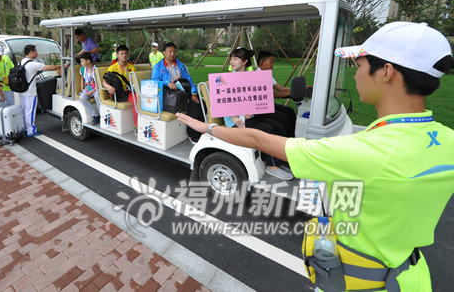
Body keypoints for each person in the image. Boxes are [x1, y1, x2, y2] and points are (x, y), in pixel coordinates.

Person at [177, 21, 453, 291]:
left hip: (357, 280)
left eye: (359, 66)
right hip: (412, 277)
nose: (356, 75)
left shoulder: (359, 152)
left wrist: (207, 127)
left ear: (387, 72)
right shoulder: (448, 141)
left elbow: (256, 138)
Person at [223, 48, 292, 180]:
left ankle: (280, 161)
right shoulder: (227, 79)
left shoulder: (250, 78)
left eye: (235, 59)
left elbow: (254, 99)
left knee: (279, 125)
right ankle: (272, 166)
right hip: (235, 121)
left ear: (244, 62)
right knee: (269, 129)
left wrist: (251, 110)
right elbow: (221, 102)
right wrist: (234, 116)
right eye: (231, 58)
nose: (232, 61)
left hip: (248, 117)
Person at [152, 42, 203, 143]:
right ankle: (192, 134)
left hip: (182, 93)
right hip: (168, 95)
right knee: (192, 105)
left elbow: (189, 81)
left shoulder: (180, 66)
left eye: (174, 52)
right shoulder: (158, 67)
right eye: (169, 51)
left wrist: (193, 93)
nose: (172, 54)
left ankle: (202, 131)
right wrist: (167, 83)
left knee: (201, 103)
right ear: (164, 53)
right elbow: (154, 81)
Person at [19, 44, 69, 137]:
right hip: (30, 92)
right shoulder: (33, 64)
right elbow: (51, 68)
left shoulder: (22, 62)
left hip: (22, 91)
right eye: (36, 51)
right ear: (31, 52)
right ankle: (31, 131)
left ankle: (24, 128)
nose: (37, 53)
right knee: (30, 111)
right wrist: (64, 65)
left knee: (23, 110)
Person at [256, 50, 297, 137]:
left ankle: (293, 134)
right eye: (271, 62)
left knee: (290, 111)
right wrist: (292, 92)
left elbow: (280, 88)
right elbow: (271, 95)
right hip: (261, 107)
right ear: (261, 62)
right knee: (284, 118)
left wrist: (297, 89)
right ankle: (288, 139)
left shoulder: (267, 74)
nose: (273, 64)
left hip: (268, 104)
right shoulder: (257, 76)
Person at [102, 45, 137, 131]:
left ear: (128, 55)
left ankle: (137, 123)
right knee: (135, 100)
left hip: (129, 91)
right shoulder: (113, 67)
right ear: (117, 55)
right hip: (118, 93)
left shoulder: (132, 67)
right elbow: (104, 82)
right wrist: (108, 86)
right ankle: (137, 125)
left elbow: (136, 82)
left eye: (125, 54)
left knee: (139, 99)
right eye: (121, 54)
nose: (124, 56)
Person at [78, 52, 101, 125]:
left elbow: (99, 84)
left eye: (82, 61)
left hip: (97, 88)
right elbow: (82, 79)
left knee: (97, 96)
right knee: (82, 97)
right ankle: (95, 115)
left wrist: (92, 91)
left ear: (88, 61)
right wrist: (82, 89)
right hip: (88, 87)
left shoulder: (96, 69)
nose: (81, 63)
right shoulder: (82, 69)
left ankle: (102, 115)